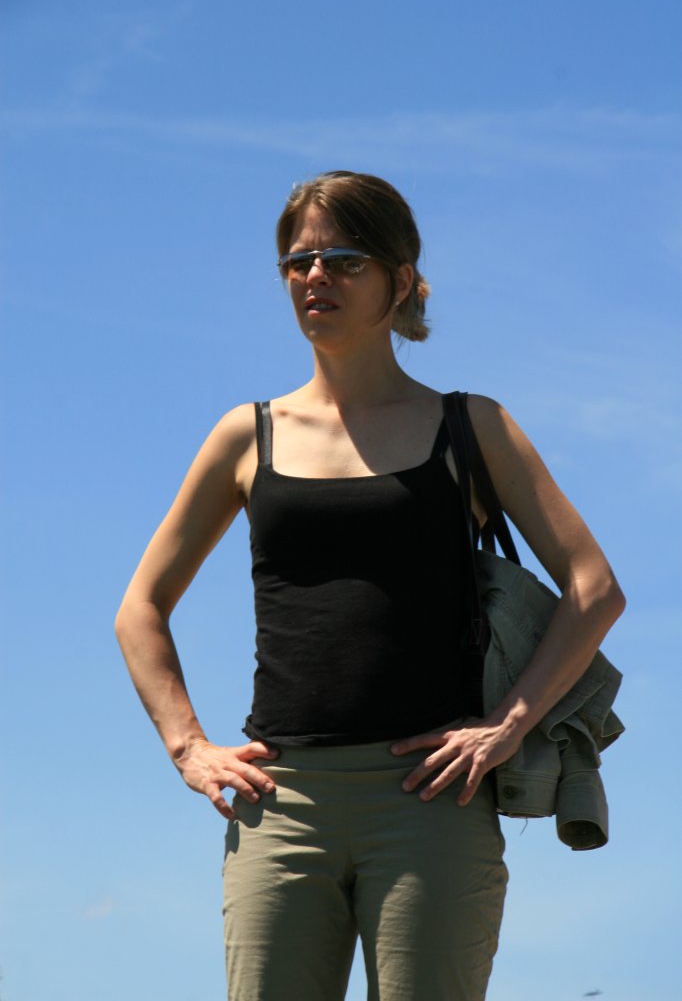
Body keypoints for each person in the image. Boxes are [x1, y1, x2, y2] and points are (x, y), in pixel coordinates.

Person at [115, 171, 625, 1001]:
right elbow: (140, 609)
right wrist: (188, 747)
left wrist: (507, 725)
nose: (316, 276)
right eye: (299, 261)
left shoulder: (472, 427)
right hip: (280, 800)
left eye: (345, 260)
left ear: (401, 279)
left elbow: (594, 588)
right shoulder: (246, 435)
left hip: (430, 803)